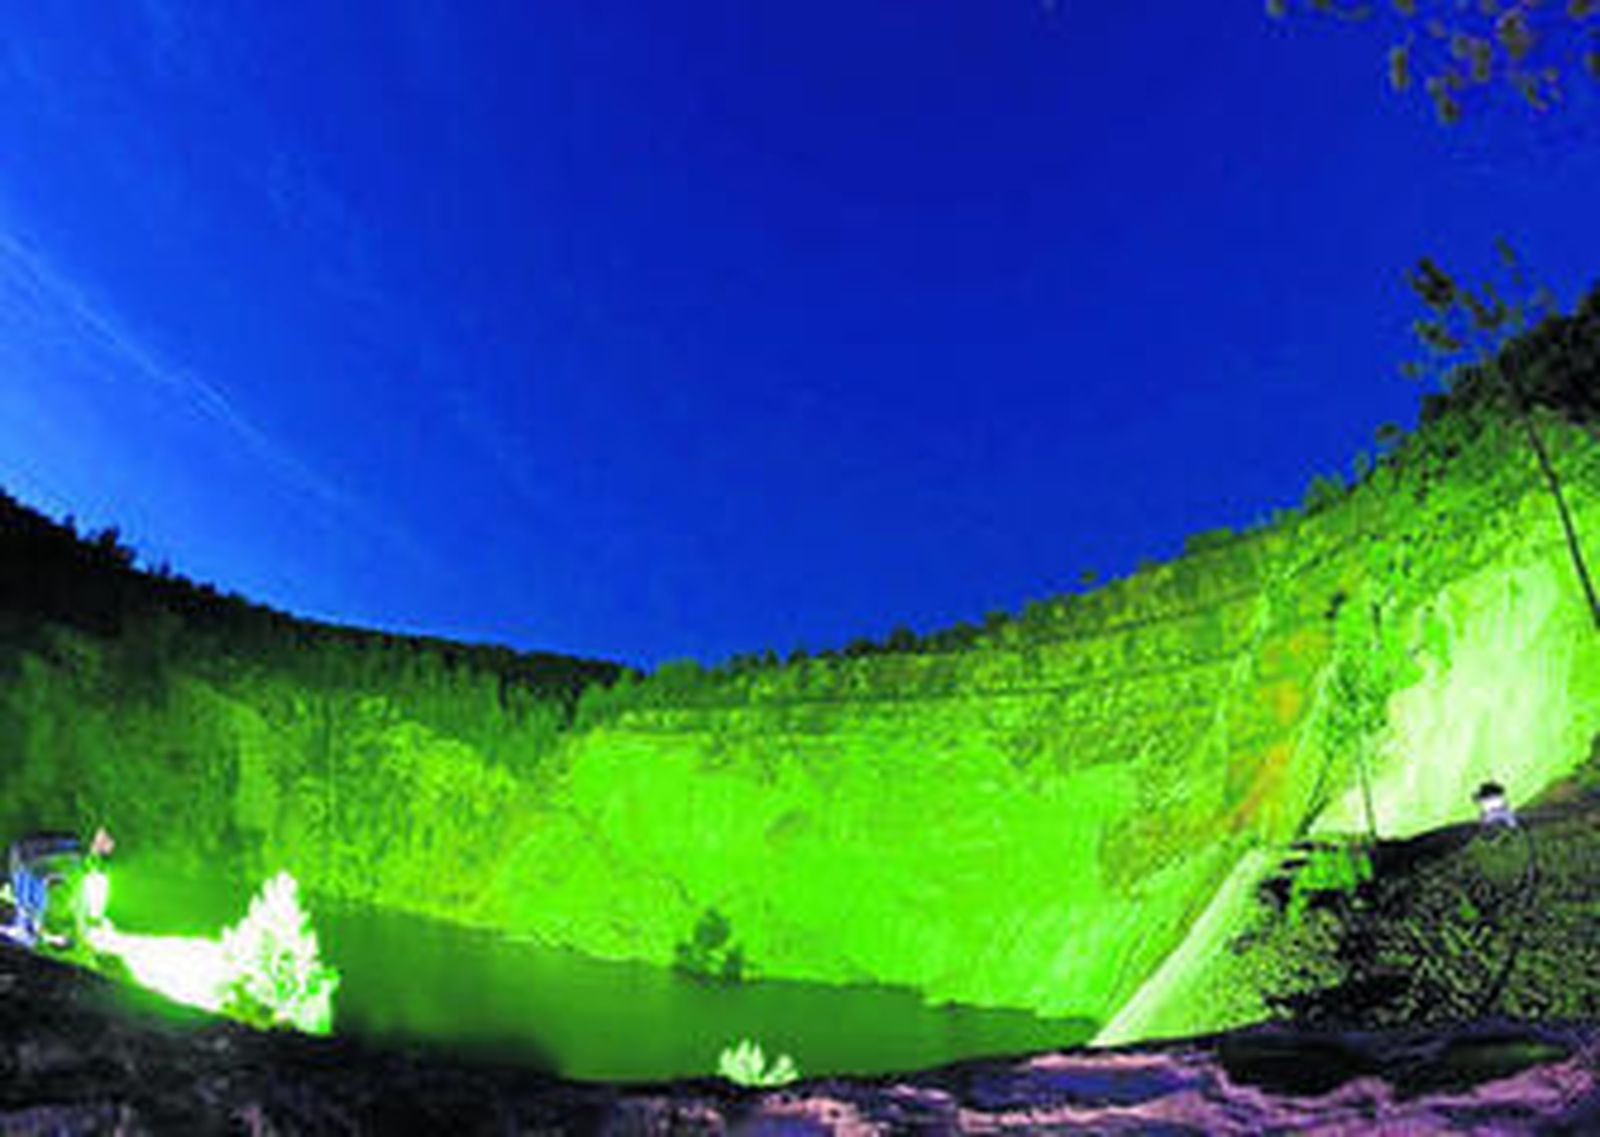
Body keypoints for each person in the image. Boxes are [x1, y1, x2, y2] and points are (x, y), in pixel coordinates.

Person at [3, 826, 114, 948]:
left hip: (25, 861)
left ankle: (92, 848)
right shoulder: (35, 913)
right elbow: (42, 881)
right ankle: (92, 848)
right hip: (28, 860)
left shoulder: (30, 920)